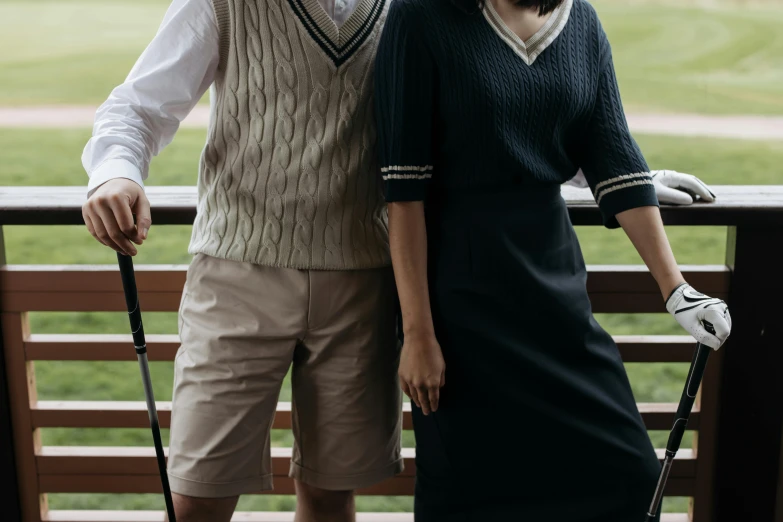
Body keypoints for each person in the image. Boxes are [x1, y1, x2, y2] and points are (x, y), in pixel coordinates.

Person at [80, 0, 716, 521]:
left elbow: (487, 117)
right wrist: (112, 174)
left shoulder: (412, 8)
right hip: (239, 273)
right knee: (198, 499)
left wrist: (619, 180)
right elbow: (137, 107)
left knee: (330, 498)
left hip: (363, 283)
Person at [373, 0, 731, 520]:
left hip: (551, 282)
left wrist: (677, 290)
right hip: (458, 303)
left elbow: (613, 155)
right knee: (468, 492)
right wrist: (419, 335)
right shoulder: (421, 16)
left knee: (629, 474)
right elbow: (404, 196)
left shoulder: (580, 21)